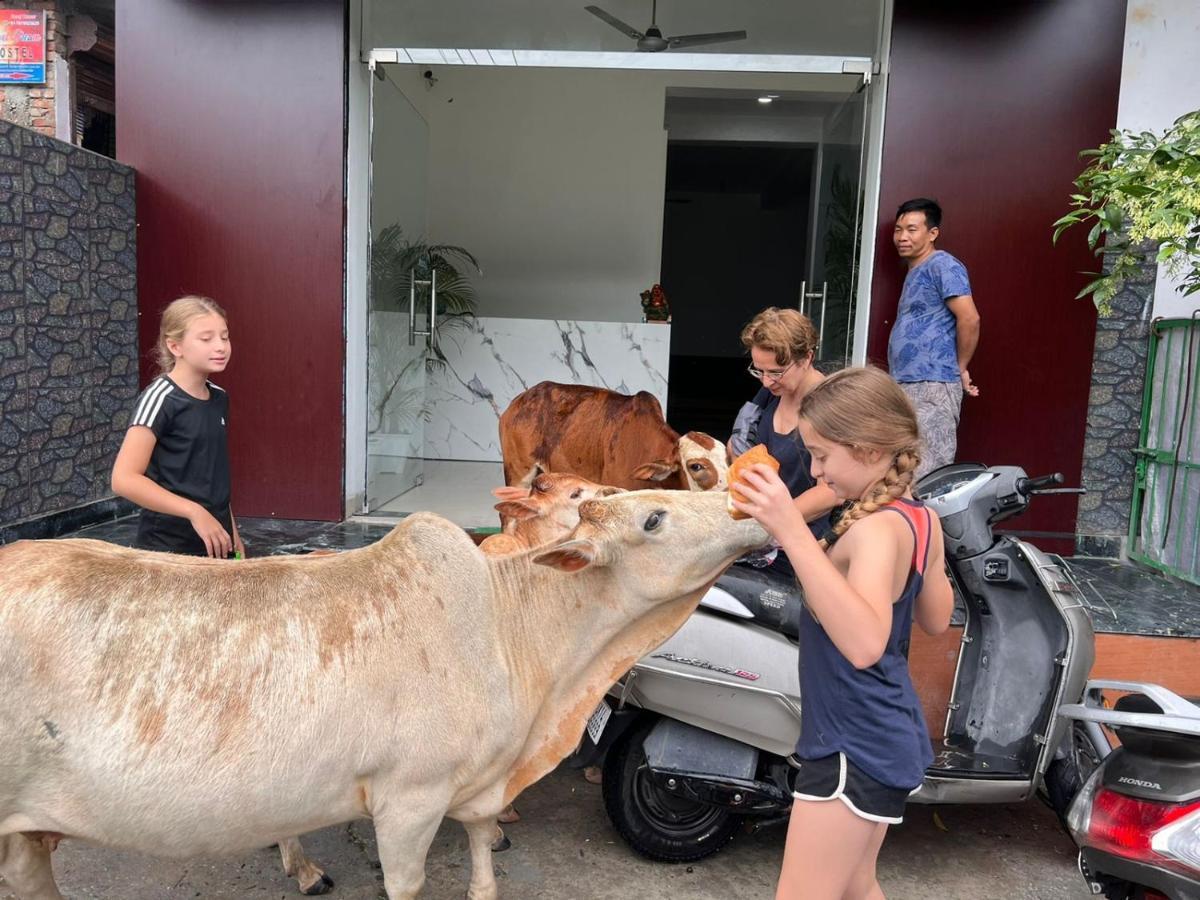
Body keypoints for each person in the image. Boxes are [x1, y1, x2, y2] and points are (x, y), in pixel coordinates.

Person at [730, 366, 955, 900]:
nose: (814, 470)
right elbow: (936, 618)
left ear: (871, 449)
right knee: (855, 886)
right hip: (881, 733)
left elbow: (863, 643)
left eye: (823, 455)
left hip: (854, 744)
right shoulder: (919, 518)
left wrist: (789, 528)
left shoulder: (876, 528)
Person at [111, 295, 243, 559]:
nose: (220, 346)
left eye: (225, 337)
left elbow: (213, 477)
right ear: (175, 346)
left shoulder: (219, 398)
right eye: (206, 339)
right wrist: (195, 512)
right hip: (168, 551)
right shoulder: (160, 398)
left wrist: (233, 534)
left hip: (215, 543)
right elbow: (123, 479)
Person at [730, 307, 839, 571]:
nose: (766, 382)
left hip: (807, 542)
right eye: (759, 371)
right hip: (766, 532)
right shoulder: (769, 395)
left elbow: (831, 492)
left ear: (807, 358)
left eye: (776, 372)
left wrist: (774, 520)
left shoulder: (830, 404)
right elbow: (738, 446)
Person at [888, 198, 981, 480]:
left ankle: (929, 524)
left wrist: (960, 367)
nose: (903, 236)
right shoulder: (916, 269)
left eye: (912, 229)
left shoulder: (943, 265)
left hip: (932, 382)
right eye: (898, 229)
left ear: (932, 233)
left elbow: (970, 318)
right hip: (906, 381)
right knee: (904, 463)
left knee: (929, 466)